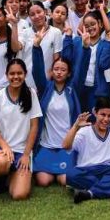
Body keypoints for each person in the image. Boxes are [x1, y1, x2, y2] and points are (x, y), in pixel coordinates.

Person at [30, 26, 85, 187]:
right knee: (43, 181)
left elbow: (81, 70)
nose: (59, 72)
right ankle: (48, 166)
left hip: (65, 145)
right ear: (52, 71)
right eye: (56, 69)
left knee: (64, 180)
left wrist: (86, 48)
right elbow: (37, 70)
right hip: (46, 145)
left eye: (63, 70)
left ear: (68, 73)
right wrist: (36, 47)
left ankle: (63, 168)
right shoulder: (45, 87)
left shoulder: (72, 89)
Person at [63, 99, 110, 203]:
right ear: (95, 113)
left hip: (106, 170)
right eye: (103, 114)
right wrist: (75, 126)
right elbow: (66, 146)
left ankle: (89, 193)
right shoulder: (84, 131)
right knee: (71, 174)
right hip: (86, 170)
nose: (106, 119)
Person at [0, 59, 42, 200]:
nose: (16, 77)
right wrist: (5, 146)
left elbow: (34, 126)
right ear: (6, 75)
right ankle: (2, 175)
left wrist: (26, 155)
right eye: (12, 74)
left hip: (22, 151)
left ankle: (11, 176)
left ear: (25, 74)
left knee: (19, 195)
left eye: (19, 73)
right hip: (2, 151)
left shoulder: (31, 94)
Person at [62, 10, 110, 112]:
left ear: (99, 24)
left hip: (98, 90)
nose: (90, 28)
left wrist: (109, 43)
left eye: (93, 24)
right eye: (86, 26)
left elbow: (104, 64)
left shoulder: (105, 43)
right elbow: (66, 59)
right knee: (78, 119)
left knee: (95, 120)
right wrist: (68, 36)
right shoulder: (77, 41)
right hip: (78, 87)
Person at [17, 1, 64, 91]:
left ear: (45, 11)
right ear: (29, 17)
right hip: (26, 81)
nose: (37, 16)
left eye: (39, 12)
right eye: (32, 14)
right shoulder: (25, 32)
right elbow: (17, 48)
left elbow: (56, 59)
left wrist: (48, 79)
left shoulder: (56, 32)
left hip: (46, 81)